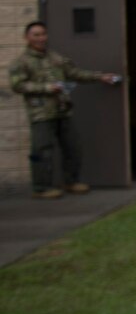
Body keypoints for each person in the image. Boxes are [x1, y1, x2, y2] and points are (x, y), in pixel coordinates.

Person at [9, 21, 121, 199]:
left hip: (62, 110)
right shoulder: (21, 63)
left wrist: (100, 77)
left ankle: (71, 181)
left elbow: (75, 73)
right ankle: (41, 187)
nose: (40, 38)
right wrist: (47, 87)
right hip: (41, 113)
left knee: (73, 148)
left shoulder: (55, 58)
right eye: (36, 35)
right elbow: (18, 85)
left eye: (43, 34)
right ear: (27, 38)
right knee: (41, 150)